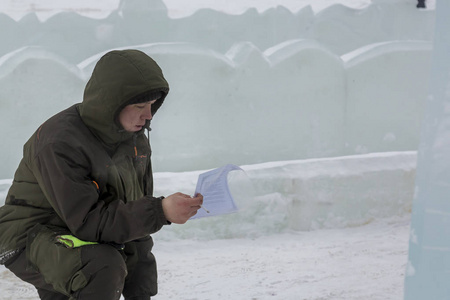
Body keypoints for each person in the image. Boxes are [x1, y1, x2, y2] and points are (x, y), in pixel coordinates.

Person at [0, 49, 203, 299]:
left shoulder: (134, 139)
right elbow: (89, 222)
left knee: (122, 251)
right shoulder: (59, 143)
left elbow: (131, 221)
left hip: (75, 234)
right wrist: (160, 210)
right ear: (112, 102)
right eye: (140, 105)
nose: (148, 115)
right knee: (101, 266)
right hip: (29, 237)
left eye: (152, 105)